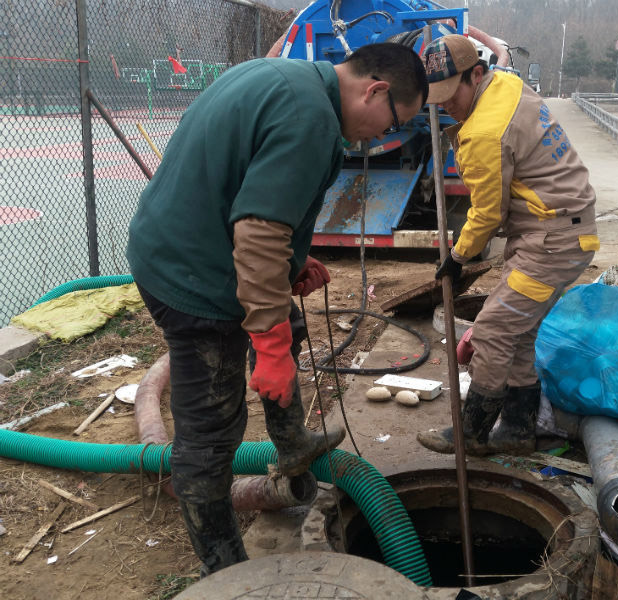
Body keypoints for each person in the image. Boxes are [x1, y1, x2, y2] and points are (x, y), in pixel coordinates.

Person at [126, 43, 428, 575]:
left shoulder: (286, 79)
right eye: (393, 121)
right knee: (211, 433)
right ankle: (224, 570)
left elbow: (243, 185)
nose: (383, 135)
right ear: (375, 90)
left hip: (190, 246)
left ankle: (292, 443)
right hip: (194, 279)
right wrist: (268, 349)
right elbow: (259, 234)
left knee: (286, 319)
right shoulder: (311, 119)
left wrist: (293, 260)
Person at [416, 35, 599, 457]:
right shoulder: (506, 84)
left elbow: (487, 214)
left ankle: (472, 433)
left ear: (476, 74)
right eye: (438, 98)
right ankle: (517, 429)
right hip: (561, 230)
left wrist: (457, 257)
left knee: (495, 331)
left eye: (451, 95)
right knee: (519, 332)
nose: (445, 105)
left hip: (552, 241)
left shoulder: (485, 132)